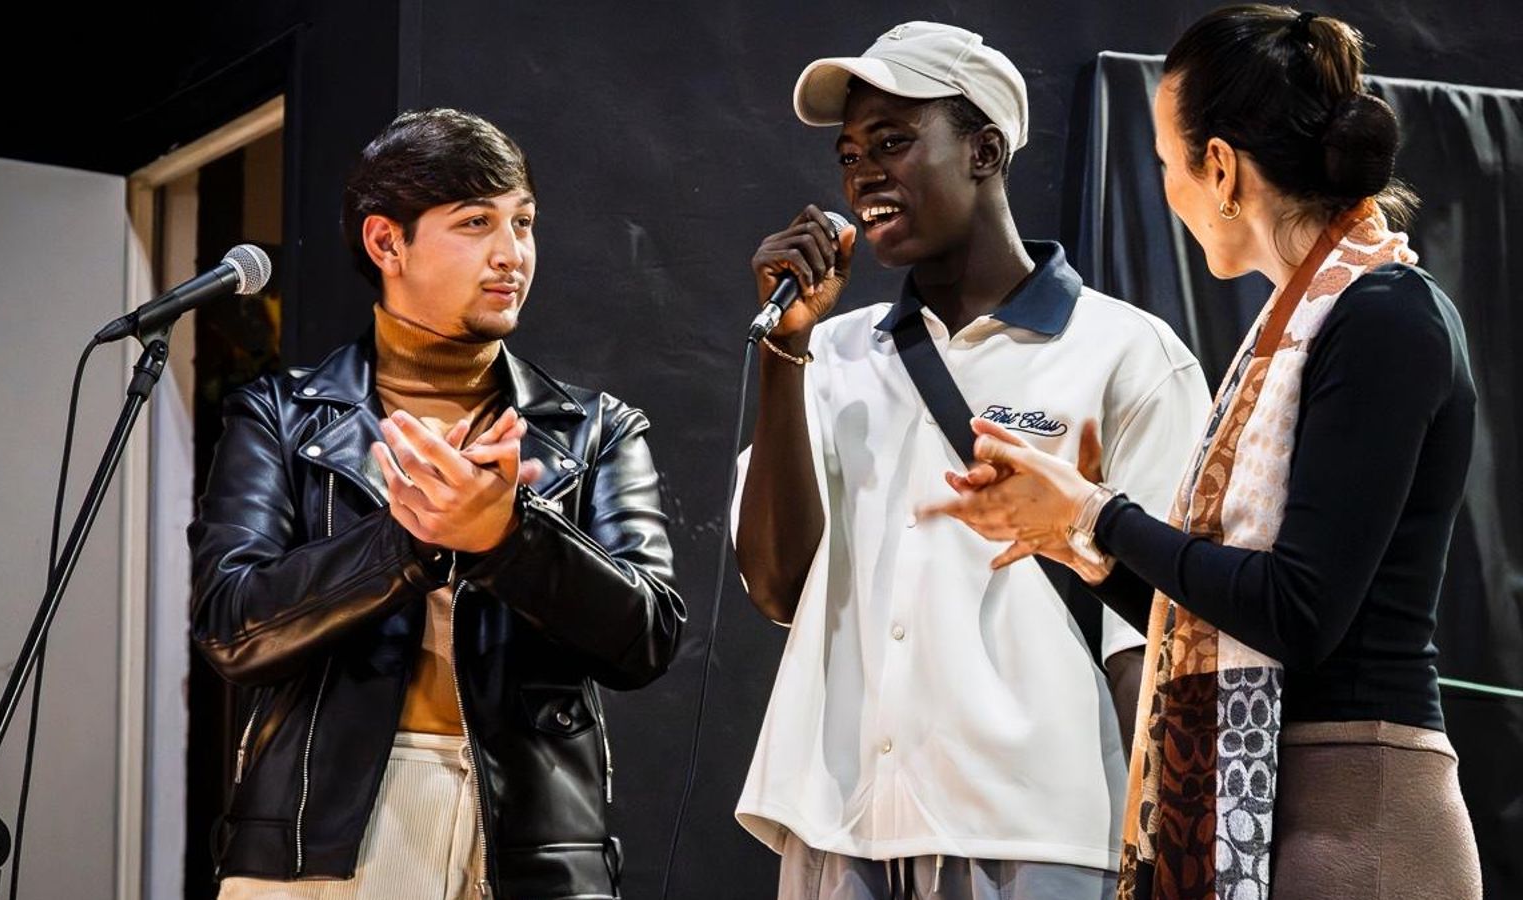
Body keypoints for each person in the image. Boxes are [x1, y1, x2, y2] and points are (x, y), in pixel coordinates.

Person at [921, 7, 1483, 899]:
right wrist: (1090, 552)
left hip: (1356, 820)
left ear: (1218, 168)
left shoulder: (1383, 317)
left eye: (1162, 161)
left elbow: (1298, 612)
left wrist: (1099, 512)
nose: (1165, 188)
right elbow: (1221, 618)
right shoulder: (1300, 326)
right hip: (1299, 813)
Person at [732, 21, 1210, 900]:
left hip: (1040, 830)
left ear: (985, 149)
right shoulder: (828, 353)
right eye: (849, 154)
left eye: (893, 141)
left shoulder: (1126, 353)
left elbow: (1157, 633)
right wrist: (781, 355)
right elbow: (774, 585)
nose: (863, 173)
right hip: (838, 826)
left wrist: (1165, 843)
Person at [188, 108, 685, 900]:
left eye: (523, 223)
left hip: (534, 840)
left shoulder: (594, 428)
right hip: (326, 834)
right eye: (475, 223)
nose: (511, 254)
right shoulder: (279, 416)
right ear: (387, 243)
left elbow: (648, 636)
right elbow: (231, 628)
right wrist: (407, 544)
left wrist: (509, 539)